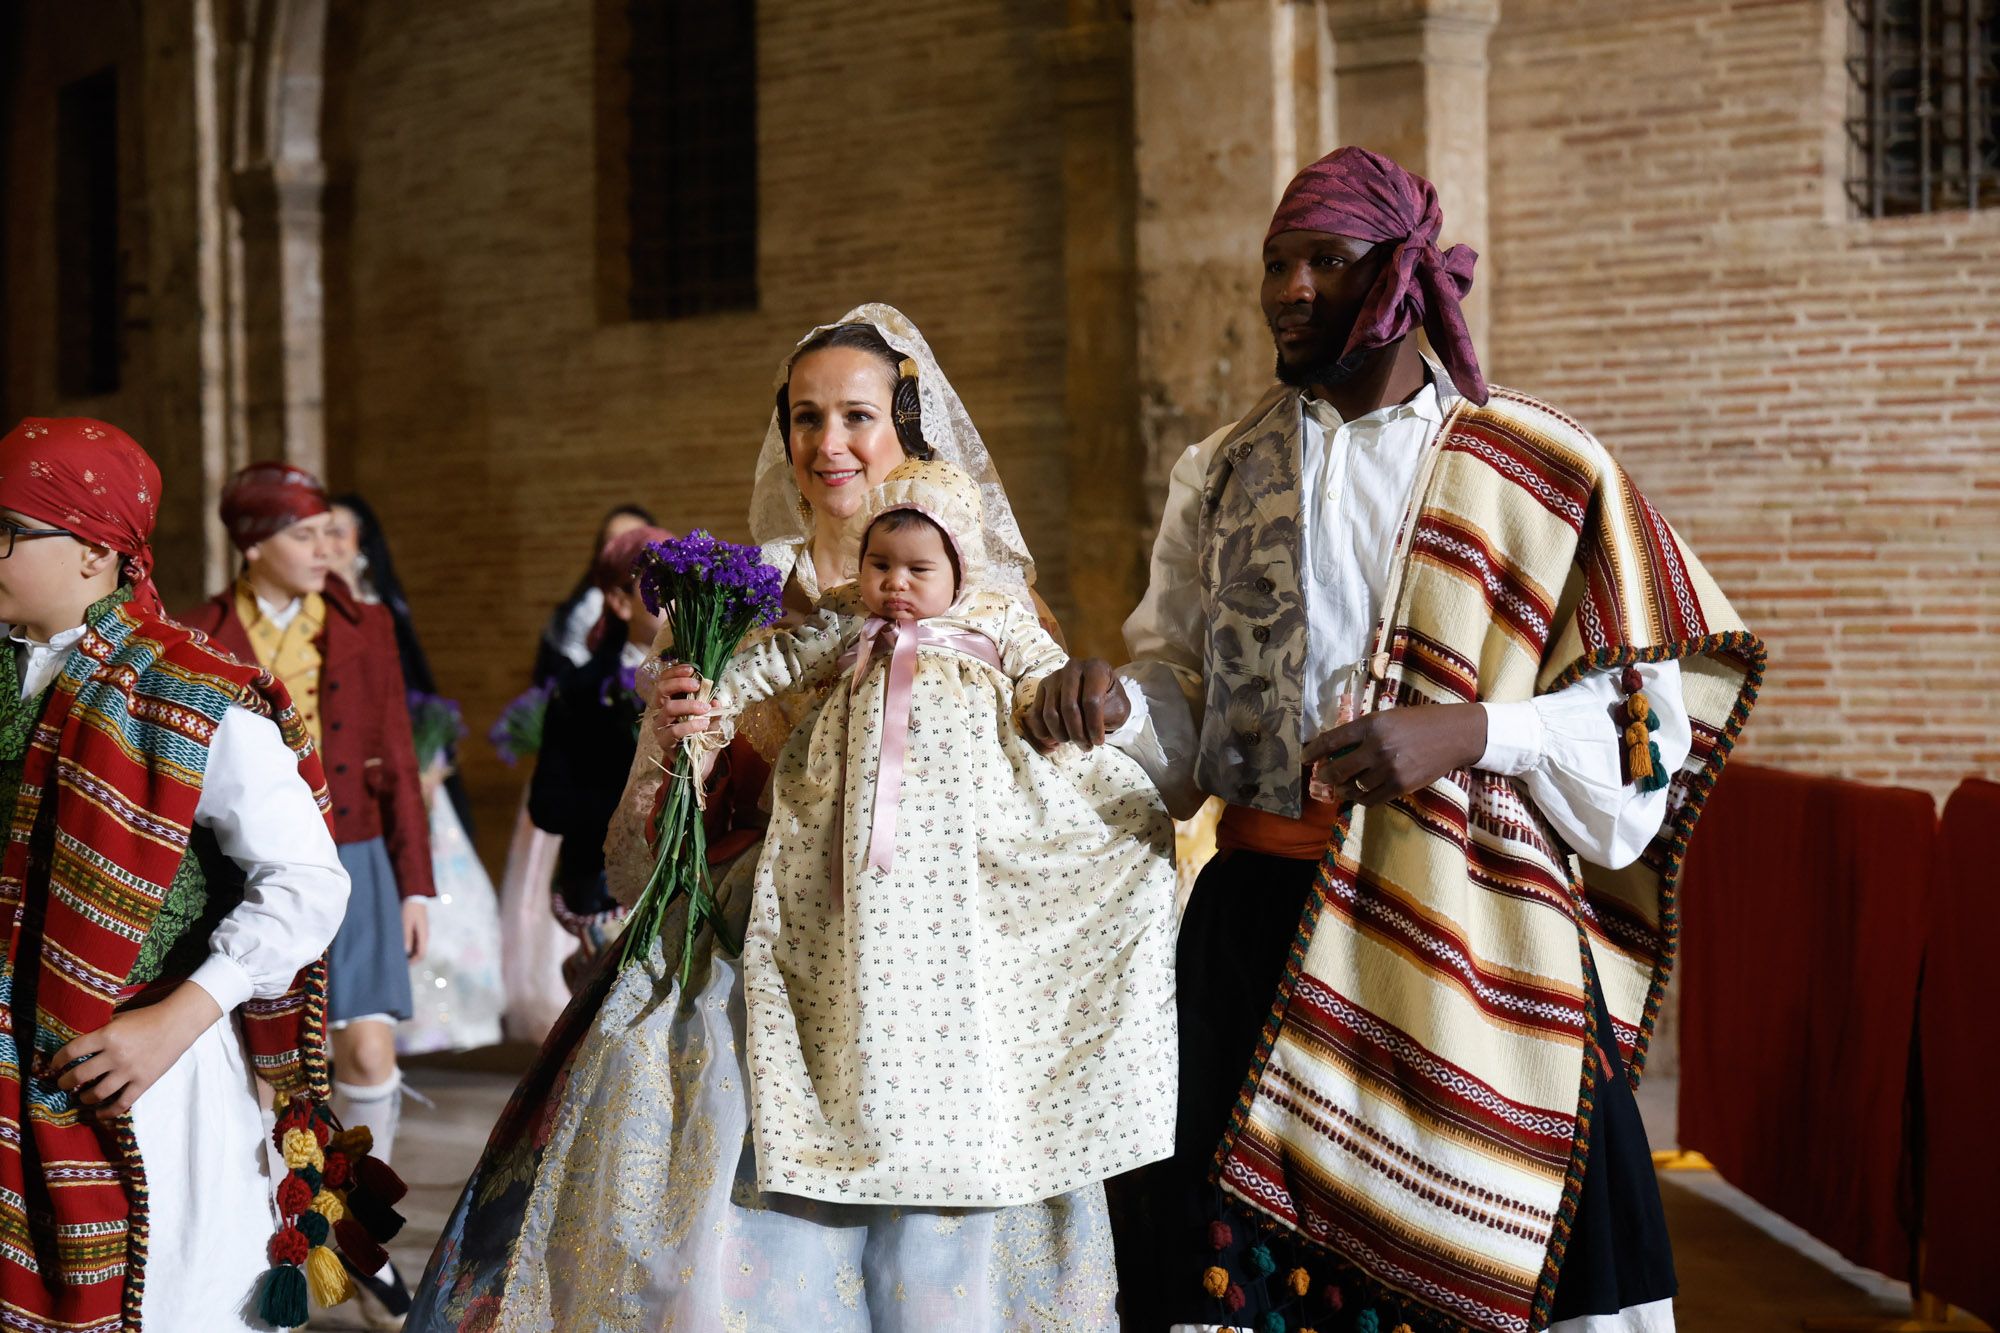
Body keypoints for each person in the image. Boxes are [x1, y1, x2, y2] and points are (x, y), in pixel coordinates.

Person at [1027, 148, 1766, 1333]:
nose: (1288, 288)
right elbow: (1182, 693)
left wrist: (1475, 730)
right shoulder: (1218, 473)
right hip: (1257, 931)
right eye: (1276, 262)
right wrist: (1119, 707)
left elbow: (1642, 735)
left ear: (1404, 273)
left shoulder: (1538, 468)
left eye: (1324, 259)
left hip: (1476, 931)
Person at [409, 305, 1119, 1331]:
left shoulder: (986, 607)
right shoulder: (735, 602)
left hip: (939, 983)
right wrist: (678, 742)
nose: (828, 444)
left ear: (906, 429)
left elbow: (1040, 787)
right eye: (805, 417)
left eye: (856, 417)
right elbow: (640, 854)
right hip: (750, 957)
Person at [680, 458, 1177, 1209]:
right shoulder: (848, 617)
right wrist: (712, 693)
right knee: (851, 967)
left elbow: (1041, 674)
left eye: (918, 569)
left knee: (962, 966)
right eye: (880, 564)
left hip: (959, 838)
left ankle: (970, 1125)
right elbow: (778, 661)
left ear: (959, 569)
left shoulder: (992, 616)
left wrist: (1071, 696)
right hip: (844, 836)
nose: (896, 585)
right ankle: (857, 1122)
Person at [0, 418, 351, 1330]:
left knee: (165, 1301)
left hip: (140, 1072)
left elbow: (308, 880)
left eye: (5, 531)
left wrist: (178, 1019)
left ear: (91, 552)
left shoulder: (186, 692)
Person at [183, 461, 437, 1323]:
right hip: (248, 872)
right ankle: (282, 1240)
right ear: (255, 544)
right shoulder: (202, 631)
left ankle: (364, 1237)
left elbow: (398, 757)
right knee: (269, 1074)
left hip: (360, 855)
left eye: (330, 531)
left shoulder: (366, 625)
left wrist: (418, 886)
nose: (326, 547)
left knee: (367, 1053)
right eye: (305, 533)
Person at [327, 494, 505, 1055]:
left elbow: (411, 695)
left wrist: (428, 761)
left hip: (393, 776)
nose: (326, 545)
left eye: (338, 533)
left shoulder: (378, 612)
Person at [494, 503, 658, 1040]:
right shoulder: (582, 692)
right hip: (605, 892)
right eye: (660, 586)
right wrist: (633, 799)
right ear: (616, 598)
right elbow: (549, 804)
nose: (680, 601)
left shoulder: (719, 678)